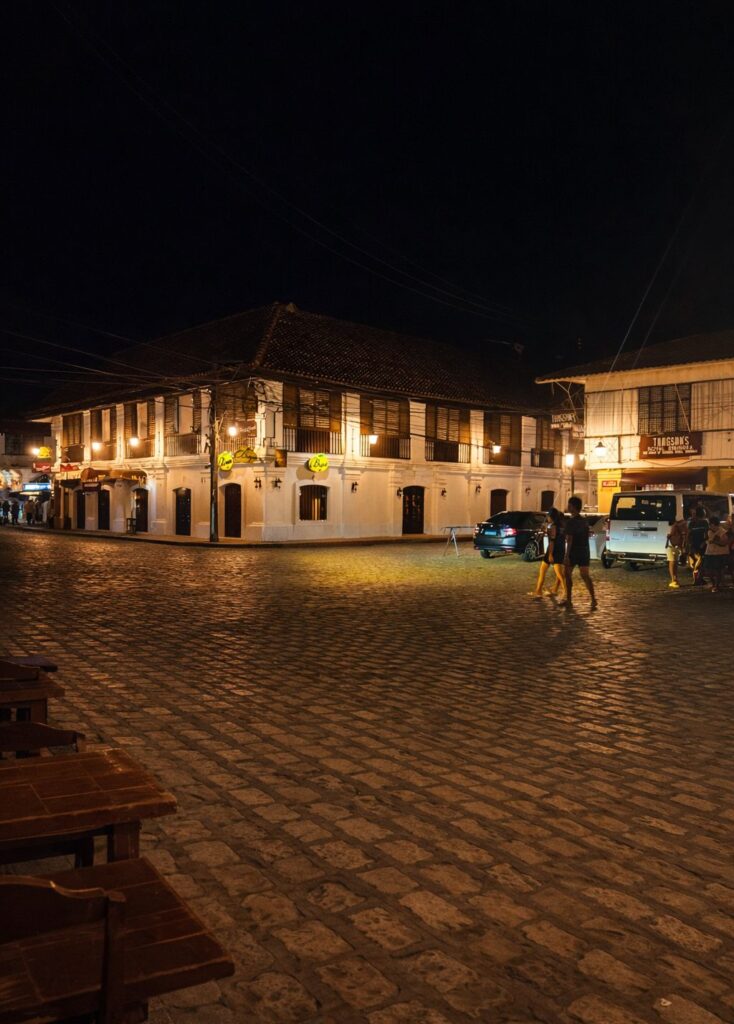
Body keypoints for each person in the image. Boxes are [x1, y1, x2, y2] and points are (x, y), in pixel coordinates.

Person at [562, 495, 597, 611]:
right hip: (584, 551)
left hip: (574, 551)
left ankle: (569, 600)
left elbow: (569, 539)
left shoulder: (571, 522)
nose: (568, 507)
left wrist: (566, 555)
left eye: (569, 505)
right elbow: (587, 535)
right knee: (585, 575)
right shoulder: (584, 521)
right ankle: (593, 599)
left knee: (567, 574)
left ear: (573, 507)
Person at [529, 507, 565, 598]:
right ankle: (539, 590)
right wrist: (546, 531)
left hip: (553, 550)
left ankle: (566, 592)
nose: (547, 518)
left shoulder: (553, 526)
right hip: (560, 549)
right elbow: (555, 535)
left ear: (551, 516)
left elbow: (552, 540)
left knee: (559, 574)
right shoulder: (561, 526)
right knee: (545, 570)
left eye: (548, 516)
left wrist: (550, 554)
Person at [701, 516, 729, 593]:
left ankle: (716, 585)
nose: (709, 526)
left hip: (719, 553)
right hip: (710, 552)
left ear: (713, 524)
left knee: (718, 570)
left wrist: (714, 542)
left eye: (710, 524)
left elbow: (725, 543)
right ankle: (714, 584)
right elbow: (708, 540)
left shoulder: (722, 532)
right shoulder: (709, 531)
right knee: (708, 570)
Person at [687, 506, 709, 585]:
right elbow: (707, 534)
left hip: (693, 544)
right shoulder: (705, 522)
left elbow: (688, 534)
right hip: (701, 545)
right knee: (700, 561)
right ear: (702, 513)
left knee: (697, 561)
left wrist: (689, 543)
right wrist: (704, 542)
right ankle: (697, 579)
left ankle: (698, 578)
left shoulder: (692, 523)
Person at [666, 515, 688, 589]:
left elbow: (670, 535)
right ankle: (674, 579)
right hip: (677, 545)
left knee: (672, 562)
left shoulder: (674, 526)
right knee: (674, 562)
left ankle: (674, 580)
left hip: (672, 545)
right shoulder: (680, 525)